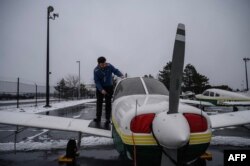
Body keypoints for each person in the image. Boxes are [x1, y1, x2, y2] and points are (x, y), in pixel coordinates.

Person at [93, 56, 123, 125]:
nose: (104, 65)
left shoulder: (109, 66)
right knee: (99, 103)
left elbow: (115, 71)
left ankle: (107, 119)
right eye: (102, 64)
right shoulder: (96, 70)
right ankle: (98, 118)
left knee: (108, 103)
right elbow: (96, 81)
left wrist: (121, 75)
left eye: (104, 63)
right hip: (100, 88)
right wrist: (101, 89)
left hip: (109, 87)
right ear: (99, 64)